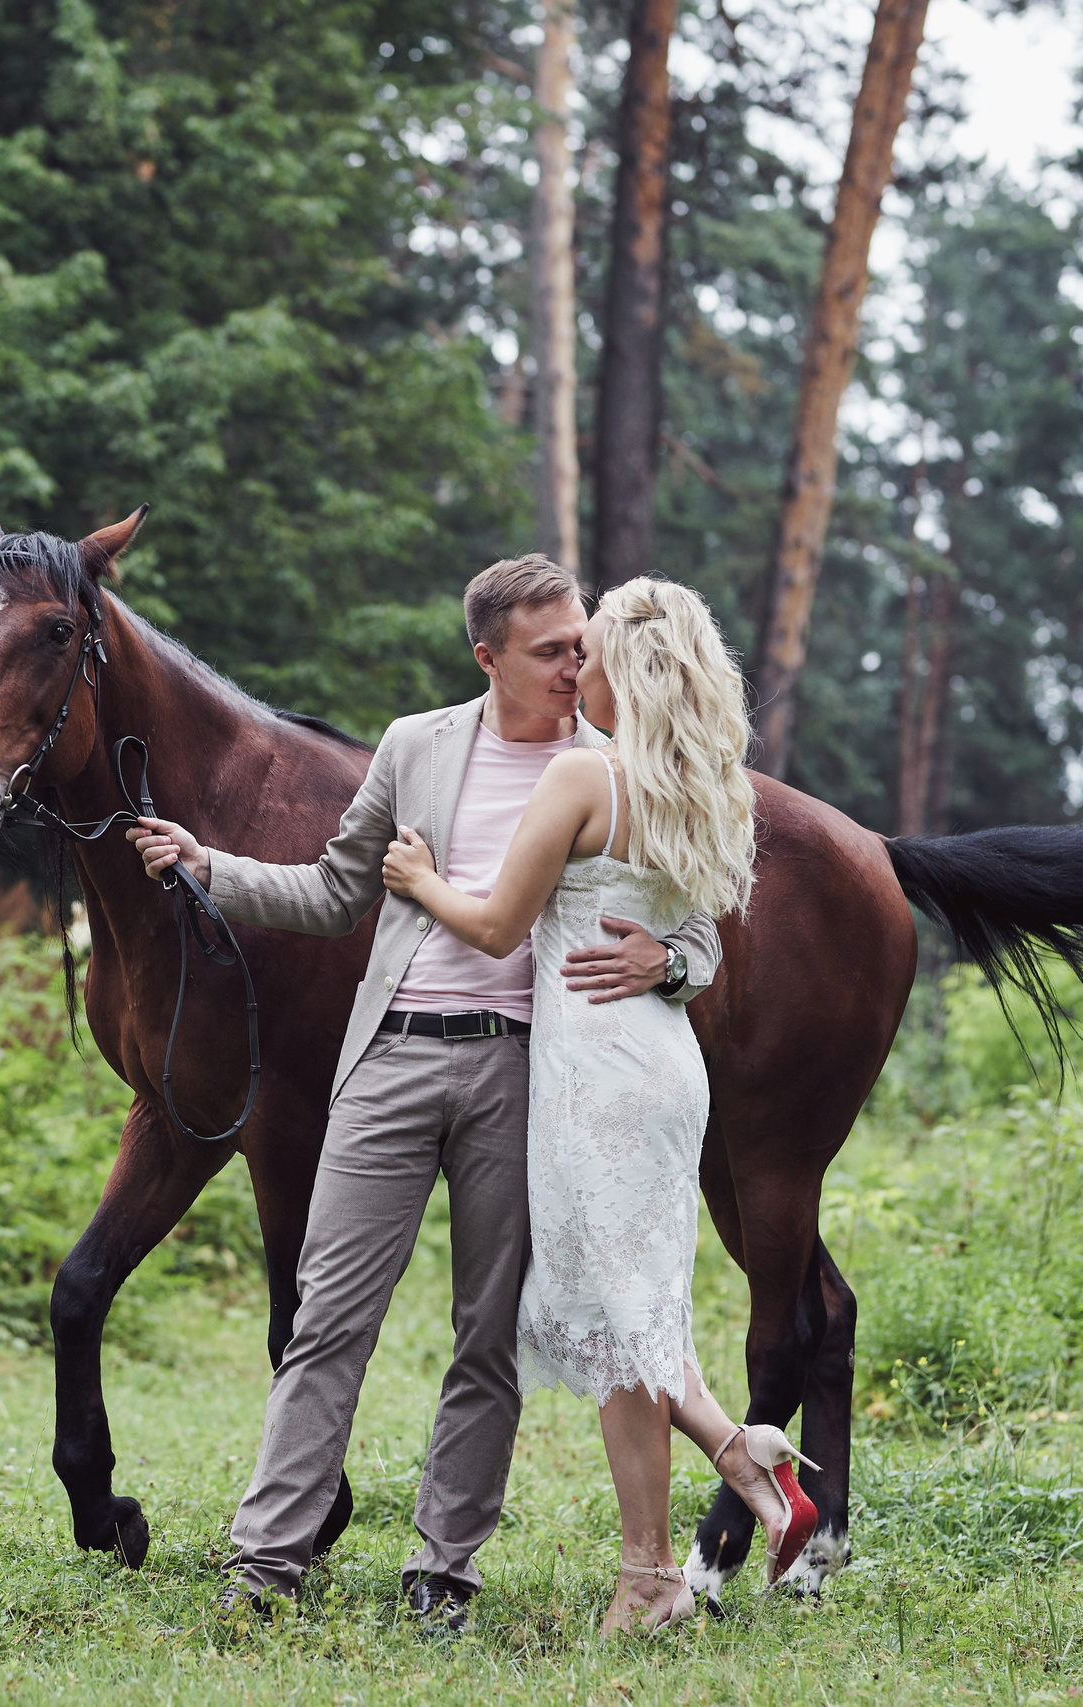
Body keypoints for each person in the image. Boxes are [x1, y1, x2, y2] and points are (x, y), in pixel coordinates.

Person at [128, 555, 720, 1633]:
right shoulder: (416, 746)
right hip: (391, 1056)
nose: (574, 661)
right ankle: (267, 1565)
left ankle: (445, 1574)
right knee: (326, 1320)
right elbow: (331, 890)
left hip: (524, 1073)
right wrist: (210, 866)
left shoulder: (611, 761)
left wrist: (668, 967)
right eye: (549, 649)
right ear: (486, 655)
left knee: (484, 1338)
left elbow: (698, 927)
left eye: (581, 642)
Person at [378, 576, 813, 1635]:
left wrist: (419, 877)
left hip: (595, 1080)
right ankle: (713, 1487)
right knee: (636, 1311)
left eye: (593, 652)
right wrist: (667, 960)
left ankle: (658, 1565)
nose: (578, 668)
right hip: (663, 1070)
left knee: (625, 1323)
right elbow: (699, 943)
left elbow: (490, 927)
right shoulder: (710, 788)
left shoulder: (583, 777)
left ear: (628, 670)